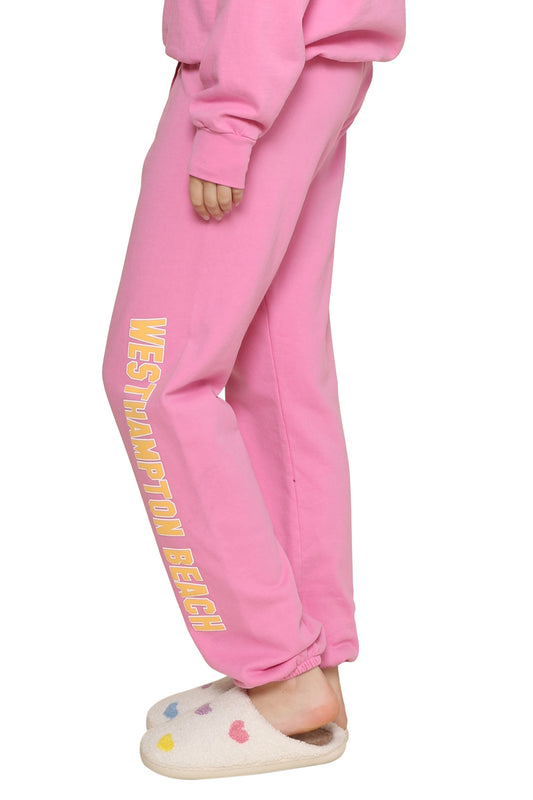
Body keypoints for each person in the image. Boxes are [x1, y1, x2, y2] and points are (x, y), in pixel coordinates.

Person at [102, 0, 406, 779]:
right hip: (306, 64)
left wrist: (230, 120)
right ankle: (308, 666)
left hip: (256, 64)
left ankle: (277, 666)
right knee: (278, 372)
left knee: (154, 380)